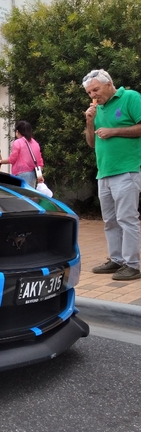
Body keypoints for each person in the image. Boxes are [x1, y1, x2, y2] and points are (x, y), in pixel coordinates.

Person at [83, 69, 141, 281]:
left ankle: (132, 265)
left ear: (109, 84)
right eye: (89, 92)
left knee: (127, 218)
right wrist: (90, 122)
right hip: (104, 172)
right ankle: (116, 260)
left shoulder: (130, 98)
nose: (93, 96)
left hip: (127, 169)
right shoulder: (97, 110)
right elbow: (91, 143)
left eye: (96, 90)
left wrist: (113, 131)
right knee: (110, 220)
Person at [0, 120, 44, 188]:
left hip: (20, 174)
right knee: (29, 195)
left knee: (20, 196)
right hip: (32, 174)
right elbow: (39, 161)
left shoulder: (18, 142)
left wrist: (0, 161)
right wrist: (40, 176)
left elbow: (12, 159)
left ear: (18, 131)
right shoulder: (35, 143)